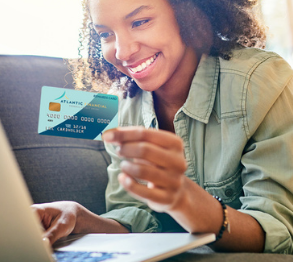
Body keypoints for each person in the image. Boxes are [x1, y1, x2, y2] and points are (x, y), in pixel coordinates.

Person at [32, 0, 293, 254]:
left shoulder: (260, 82)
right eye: (105, 34)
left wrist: (186, 201)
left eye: (140, 21)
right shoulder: (121, 107)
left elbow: (279, 231)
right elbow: (139, 216)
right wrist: (81, 218)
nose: (122, 52)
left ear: (189, 13)